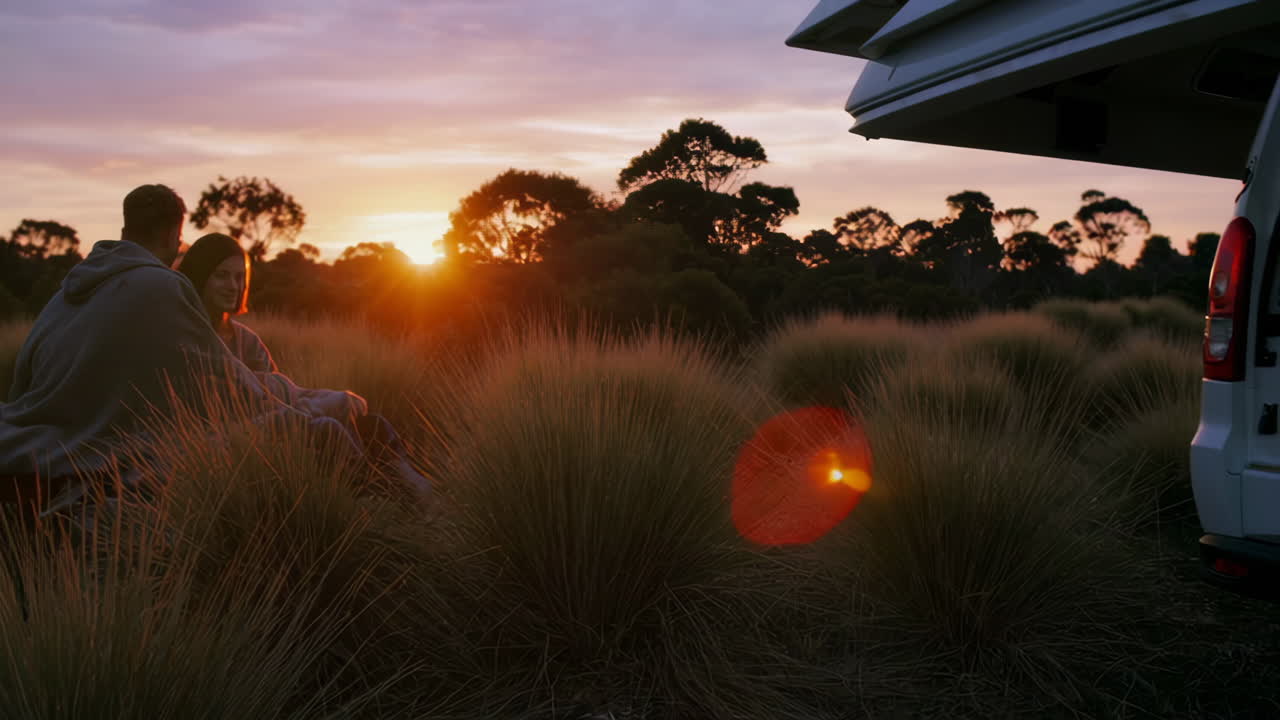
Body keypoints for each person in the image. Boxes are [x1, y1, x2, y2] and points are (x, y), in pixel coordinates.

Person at [0, 184, 297, 517]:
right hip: (101, 443)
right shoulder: (161, 287)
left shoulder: (69, 289)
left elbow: (23, 375)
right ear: (174, 233)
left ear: (126, 230)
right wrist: (297, 401)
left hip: (36, 431)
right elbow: (228, 379)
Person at [177, 232, 429, 499]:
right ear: (201, 278)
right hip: (228, 443)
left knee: (372, 425)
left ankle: (418, 494)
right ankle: (371, 501)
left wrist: (335, 400)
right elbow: (256, 404)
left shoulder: (247, 341)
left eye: (239, 277)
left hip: (277, 426)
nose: (233, 285)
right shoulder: (187, 339)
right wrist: (313, 408)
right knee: (326, 429)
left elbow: (282, 394)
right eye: (221, 275)